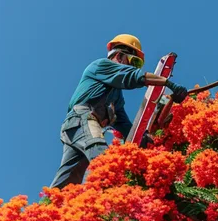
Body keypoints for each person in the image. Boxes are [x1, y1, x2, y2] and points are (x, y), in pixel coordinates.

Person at [50, 34, 189, 189]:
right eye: (134, 62)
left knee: (67, 180)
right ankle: (105, 194)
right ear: (119, 56)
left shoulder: (116, 100)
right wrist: (169, 84)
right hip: (82, 119)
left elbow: (126, 126)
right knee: (102, 156)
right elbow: (134, 76)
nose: (134, 67)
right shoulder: (101, 65)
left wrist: (146, 139)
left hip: (74, 129)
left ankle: (48, 207)